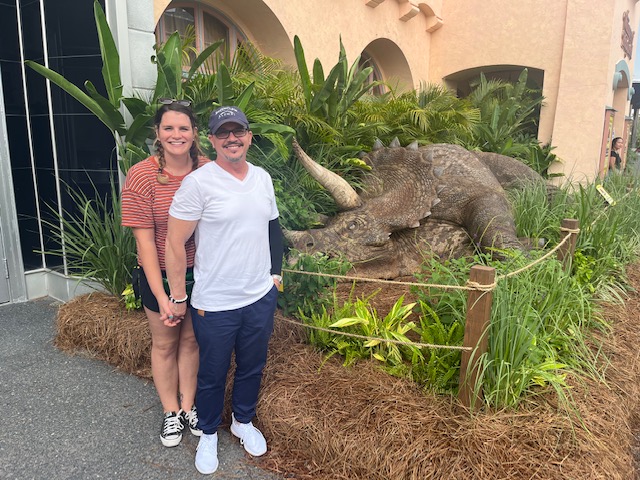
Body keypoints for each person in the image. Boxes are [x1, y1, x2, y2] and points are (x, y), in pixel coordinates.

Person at [164, 106, 283, 475]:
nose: (232, 138)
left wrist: (275, 277)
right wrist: (179, 296)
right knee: (213, 373)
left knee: (252, 366)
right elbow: (173, 243)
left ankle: (242, 422)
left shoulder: (262, 178)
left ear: (249, 136)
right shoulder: (198, 183)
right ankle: (210, 432)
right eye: (224, 133)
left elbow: (273, 228)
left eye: (239, 131)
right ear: (212, 140)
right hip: (214, 303)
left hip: (259, 295)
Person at [121, 99, 208, 447]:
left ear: (194, 133)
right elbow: (144, 244)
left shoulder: (208, 171)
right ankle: (171, 412)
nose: (176, 134)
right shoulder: (142, 176)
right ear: (157, 133)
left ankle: (189, 406)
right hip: (157, 272)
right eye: (168, 128)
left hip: (200, 272)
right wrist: (163, 297)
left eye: (183, 128)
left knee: (191, 340)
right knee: (165, 342)